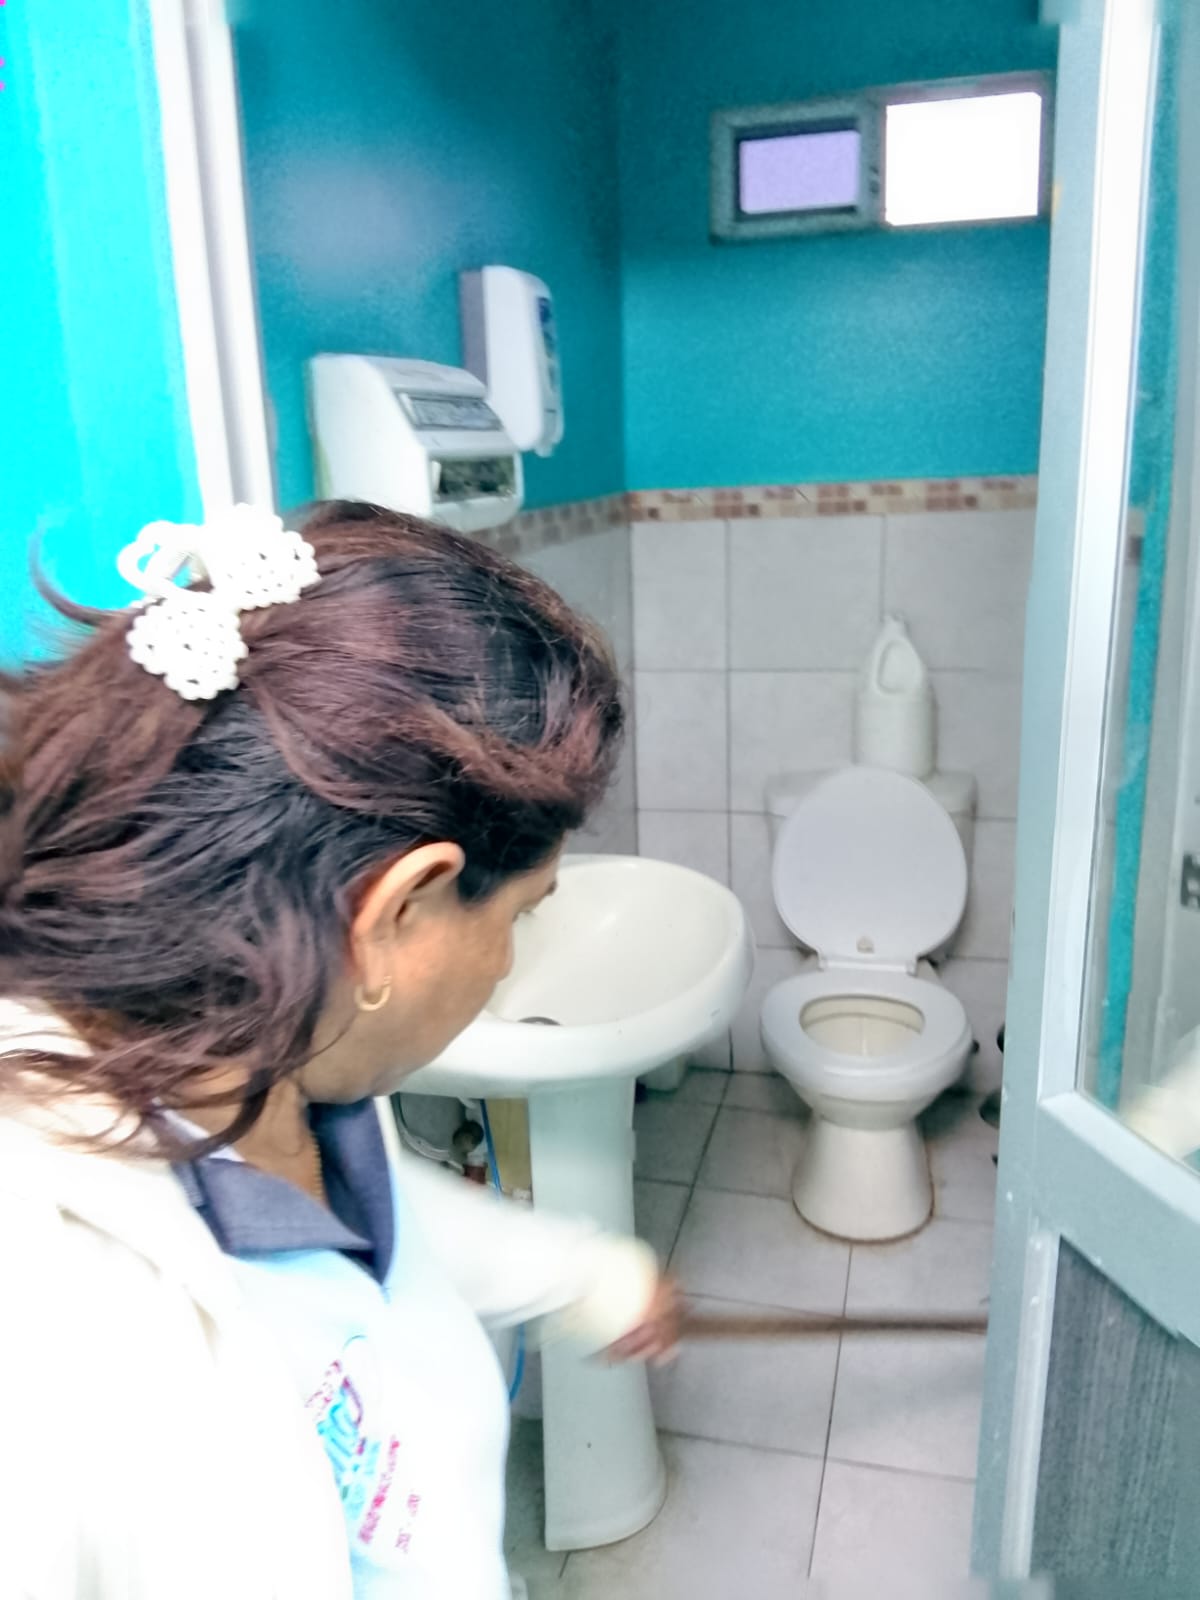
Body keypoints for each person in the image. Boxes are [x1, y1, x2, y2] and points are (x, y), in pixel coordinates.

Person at [0, 500, 680, 1600]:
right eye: (524, 913)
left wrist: (582, 1277)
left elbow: (373, 1230)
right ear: (398, 912)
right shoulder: (56, 1325)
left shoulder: (270, 1067)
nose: (511, 960)